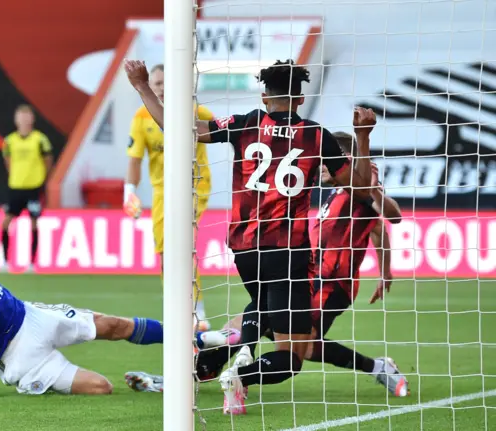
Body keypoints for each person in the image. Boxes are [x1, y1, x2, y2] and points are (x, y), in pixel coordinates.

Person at [123, 58, 375, 412]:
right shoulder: (317, 135)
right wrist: (362, 137)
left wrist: (142, 86)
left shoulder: (247, 123)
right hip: (289, 252)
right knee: (292, 357)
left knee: (259, 308)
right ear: (300, 100)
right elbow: (361, 189)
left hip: (245, 250)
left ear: (264, 97)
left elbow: (180, 129)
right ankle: (239, 374)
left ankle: (214, 357)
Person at [124, 135, 408, 400]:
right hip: (308, 275)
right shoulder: (334, 193)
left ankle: (226, 376)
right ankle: (191, 377)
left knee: (294, 342)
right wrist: (386, 272)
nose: (321, 163)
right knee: (254, 325)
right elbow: (377, 231)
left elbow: (391, 215)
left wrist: (372, 189)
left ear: (345, 158)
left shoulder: (361, 188)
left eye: (327, 158)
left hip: (333, 284)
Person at [0, 209, 237, 399]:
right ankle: (154, 385)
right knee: (101, 387)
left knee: (116, 325)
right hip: (18, 357)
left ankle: (196, 339)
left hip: (33, 316)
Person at [124, 63, 214, 330]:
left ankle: (197, 312)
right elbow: (135, 158)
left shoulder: (197, 112)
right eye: (157, 84)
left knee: (183, 246)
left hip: (194, 186)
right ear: (150, 87)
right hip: (163, 191)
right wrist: (129, 192)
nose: (162, 89)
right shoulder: (141, 118)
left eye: (166, 83)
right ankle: (179, 308)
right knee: (165, 253)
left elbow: (226, 135)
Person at [0, 104, 53, 273]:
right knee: (6, 222)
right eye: (20, 117)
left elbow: (48, 159)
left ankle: (31, 263)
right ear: (16, 120)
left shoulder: (40, 139)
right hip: (15, 187)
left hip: (33, 187)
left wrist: (41, 177)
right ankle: (5, 262)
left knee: (34, 223)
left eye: (26, 116)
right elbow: (8, 161)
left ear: (32, 119)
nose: (24, 120)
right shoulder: (9, 141)